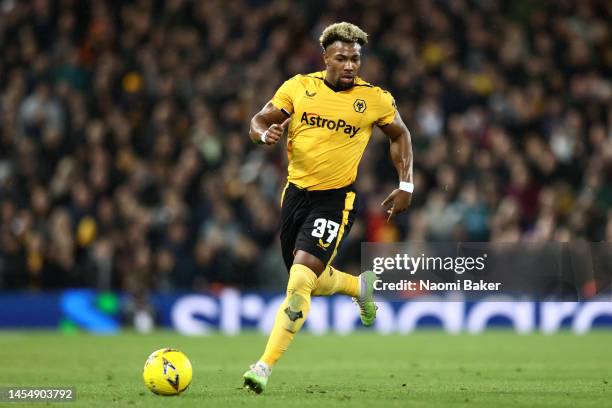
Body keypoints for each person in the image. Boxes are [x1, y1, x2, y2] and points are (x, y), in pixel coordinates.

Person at [243, 22, 414, 393]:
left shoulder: (375, 99)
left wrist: (405, 183)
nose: (350, 65)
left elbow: (400, 133)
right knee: (306, 280)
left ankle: (263, 366)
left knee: (300, 280)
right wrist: (262, 134)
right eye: (342, 58)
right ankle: (358, 287)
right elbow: (259, 120)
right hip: (295, 196)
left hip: (336, 201)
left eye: (355, 58)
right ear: (326, 59)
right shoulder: (298, 88)